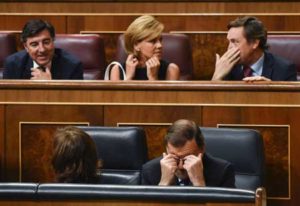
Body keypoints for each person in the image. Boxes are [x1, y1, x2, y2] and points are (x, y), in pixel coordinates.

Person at [141, 119, 235, 187]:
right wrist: (163, 184)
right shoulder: (150, 171)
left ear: (202, 149)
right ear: (166, 150)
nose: (181, 167)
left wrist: (199, 183)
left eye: (187, 159)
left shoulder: (222, 171)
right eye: (175, 158)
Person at [212, 16, 297, 82]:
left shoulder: (284, 69)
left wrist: (271, 89)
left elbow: (294, 102)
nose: (229, 48)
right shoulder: (227, 67)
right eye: (229, 42)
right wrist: (216, 77)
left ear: (254, 43)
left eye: (235, 42)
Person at [3, 19, 83, 80]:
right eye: (34, 44)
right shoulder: (13, 65)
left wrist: (51, 86)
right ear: (26, 47)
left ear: (53, 41)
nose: (42, 50)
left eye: (46, 42)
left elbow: (74, 101)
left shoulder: (72, 66)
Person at [109, 15, 180, 80]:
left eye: (160, 40)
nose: (159, 45)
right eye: (152, 41)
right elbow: (119, 94)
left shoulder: (171, 70)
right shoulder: (117, 70)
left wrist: (153, 78)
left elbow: (165, 95)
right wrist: (129, 77)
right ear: (136, 45)